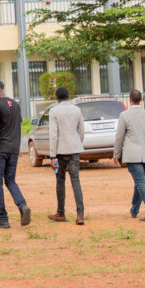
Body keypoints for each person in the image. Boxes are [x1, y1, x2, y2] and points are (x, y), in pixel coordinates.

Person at [0, 79, 31, 229]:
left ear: (0, 89)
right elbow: (17, 127)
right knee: (10, 181)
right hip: (13, 150)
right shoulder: (15, 105)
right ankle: (22, 206)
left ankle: (3, 218)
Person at [112, 89, 145, 220]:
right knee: (140, 182)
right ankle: (134, 210)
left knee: (140, 183)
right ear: (141, 100)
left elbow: (119, 137)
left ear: (130, 100)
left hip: (132, 155)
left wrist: (116, 154)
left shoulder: (124, 115)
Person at [46, 86, 85, 224]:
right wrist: (76, 144)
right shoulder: (76, 110)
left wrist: (52, 156)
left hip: (60, 152)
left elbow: (53, 135)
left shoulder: (54, 111)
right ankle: (80, 214)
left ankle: (61, 213)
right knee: (76, 181)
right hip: (74, 150)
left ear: (57, 98)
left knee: (60, 181)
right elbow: (81, 131)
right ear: (68, 96)